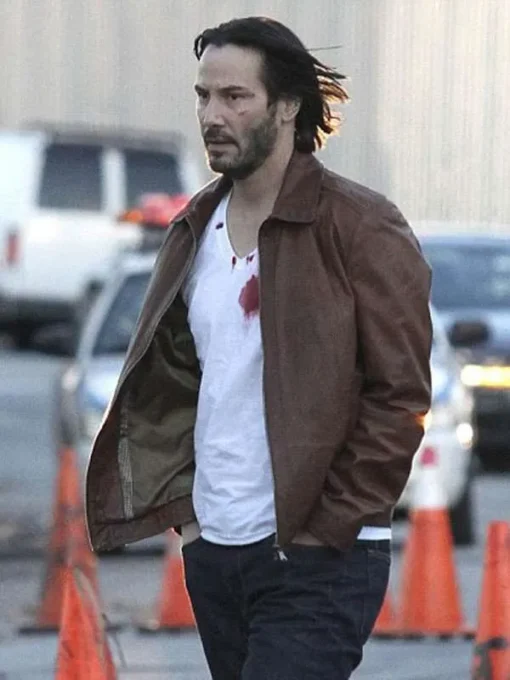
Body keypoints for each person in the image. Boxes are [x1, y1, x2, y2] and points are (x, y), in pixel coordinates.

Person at [85, 16, 432, 680]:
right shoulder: (194, 228)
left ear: (288, 106)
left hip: (320, 556)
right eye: (203, 96)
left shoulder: (359, 226)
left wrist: (332, 523)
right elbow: (181, 382)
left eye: (235, 97)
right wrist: (190, 520)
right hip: (216, 548)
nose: (212, 115)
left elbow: (400, 395)